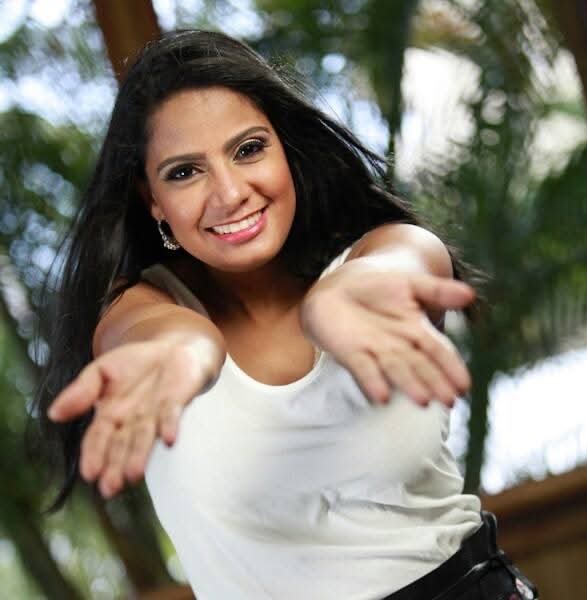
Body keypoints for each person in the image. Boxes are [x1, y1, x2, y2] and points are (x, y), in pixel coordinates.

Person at [37, 30, 537, 600]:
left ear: (285, 149)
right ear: (152, 199)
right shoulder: (142, 309)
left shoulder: (391, 249)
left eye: (248, 149)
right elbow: (158, 334)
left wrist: (341, 299)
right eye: (184, 172)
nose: (229, 193)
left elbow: (394, 267)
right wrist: (183, 354)